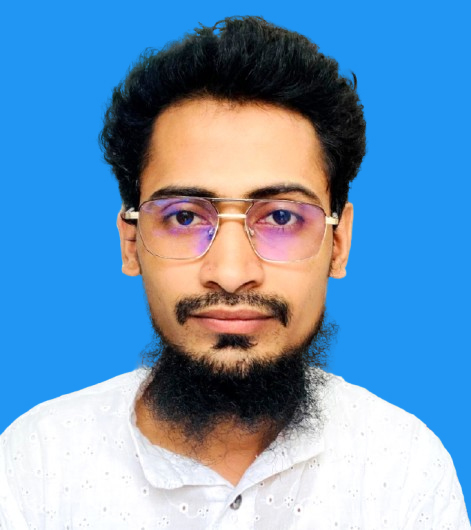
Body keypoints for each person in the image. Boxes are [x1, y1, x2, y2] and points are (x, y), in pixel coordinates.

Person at [0, 15, 468, 529]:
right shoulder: (35, 464)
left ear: (338, 244)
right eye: (184, 217)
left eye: (281, 217)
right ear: (131, 242)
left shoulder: (404, 469)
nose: (229, 272)